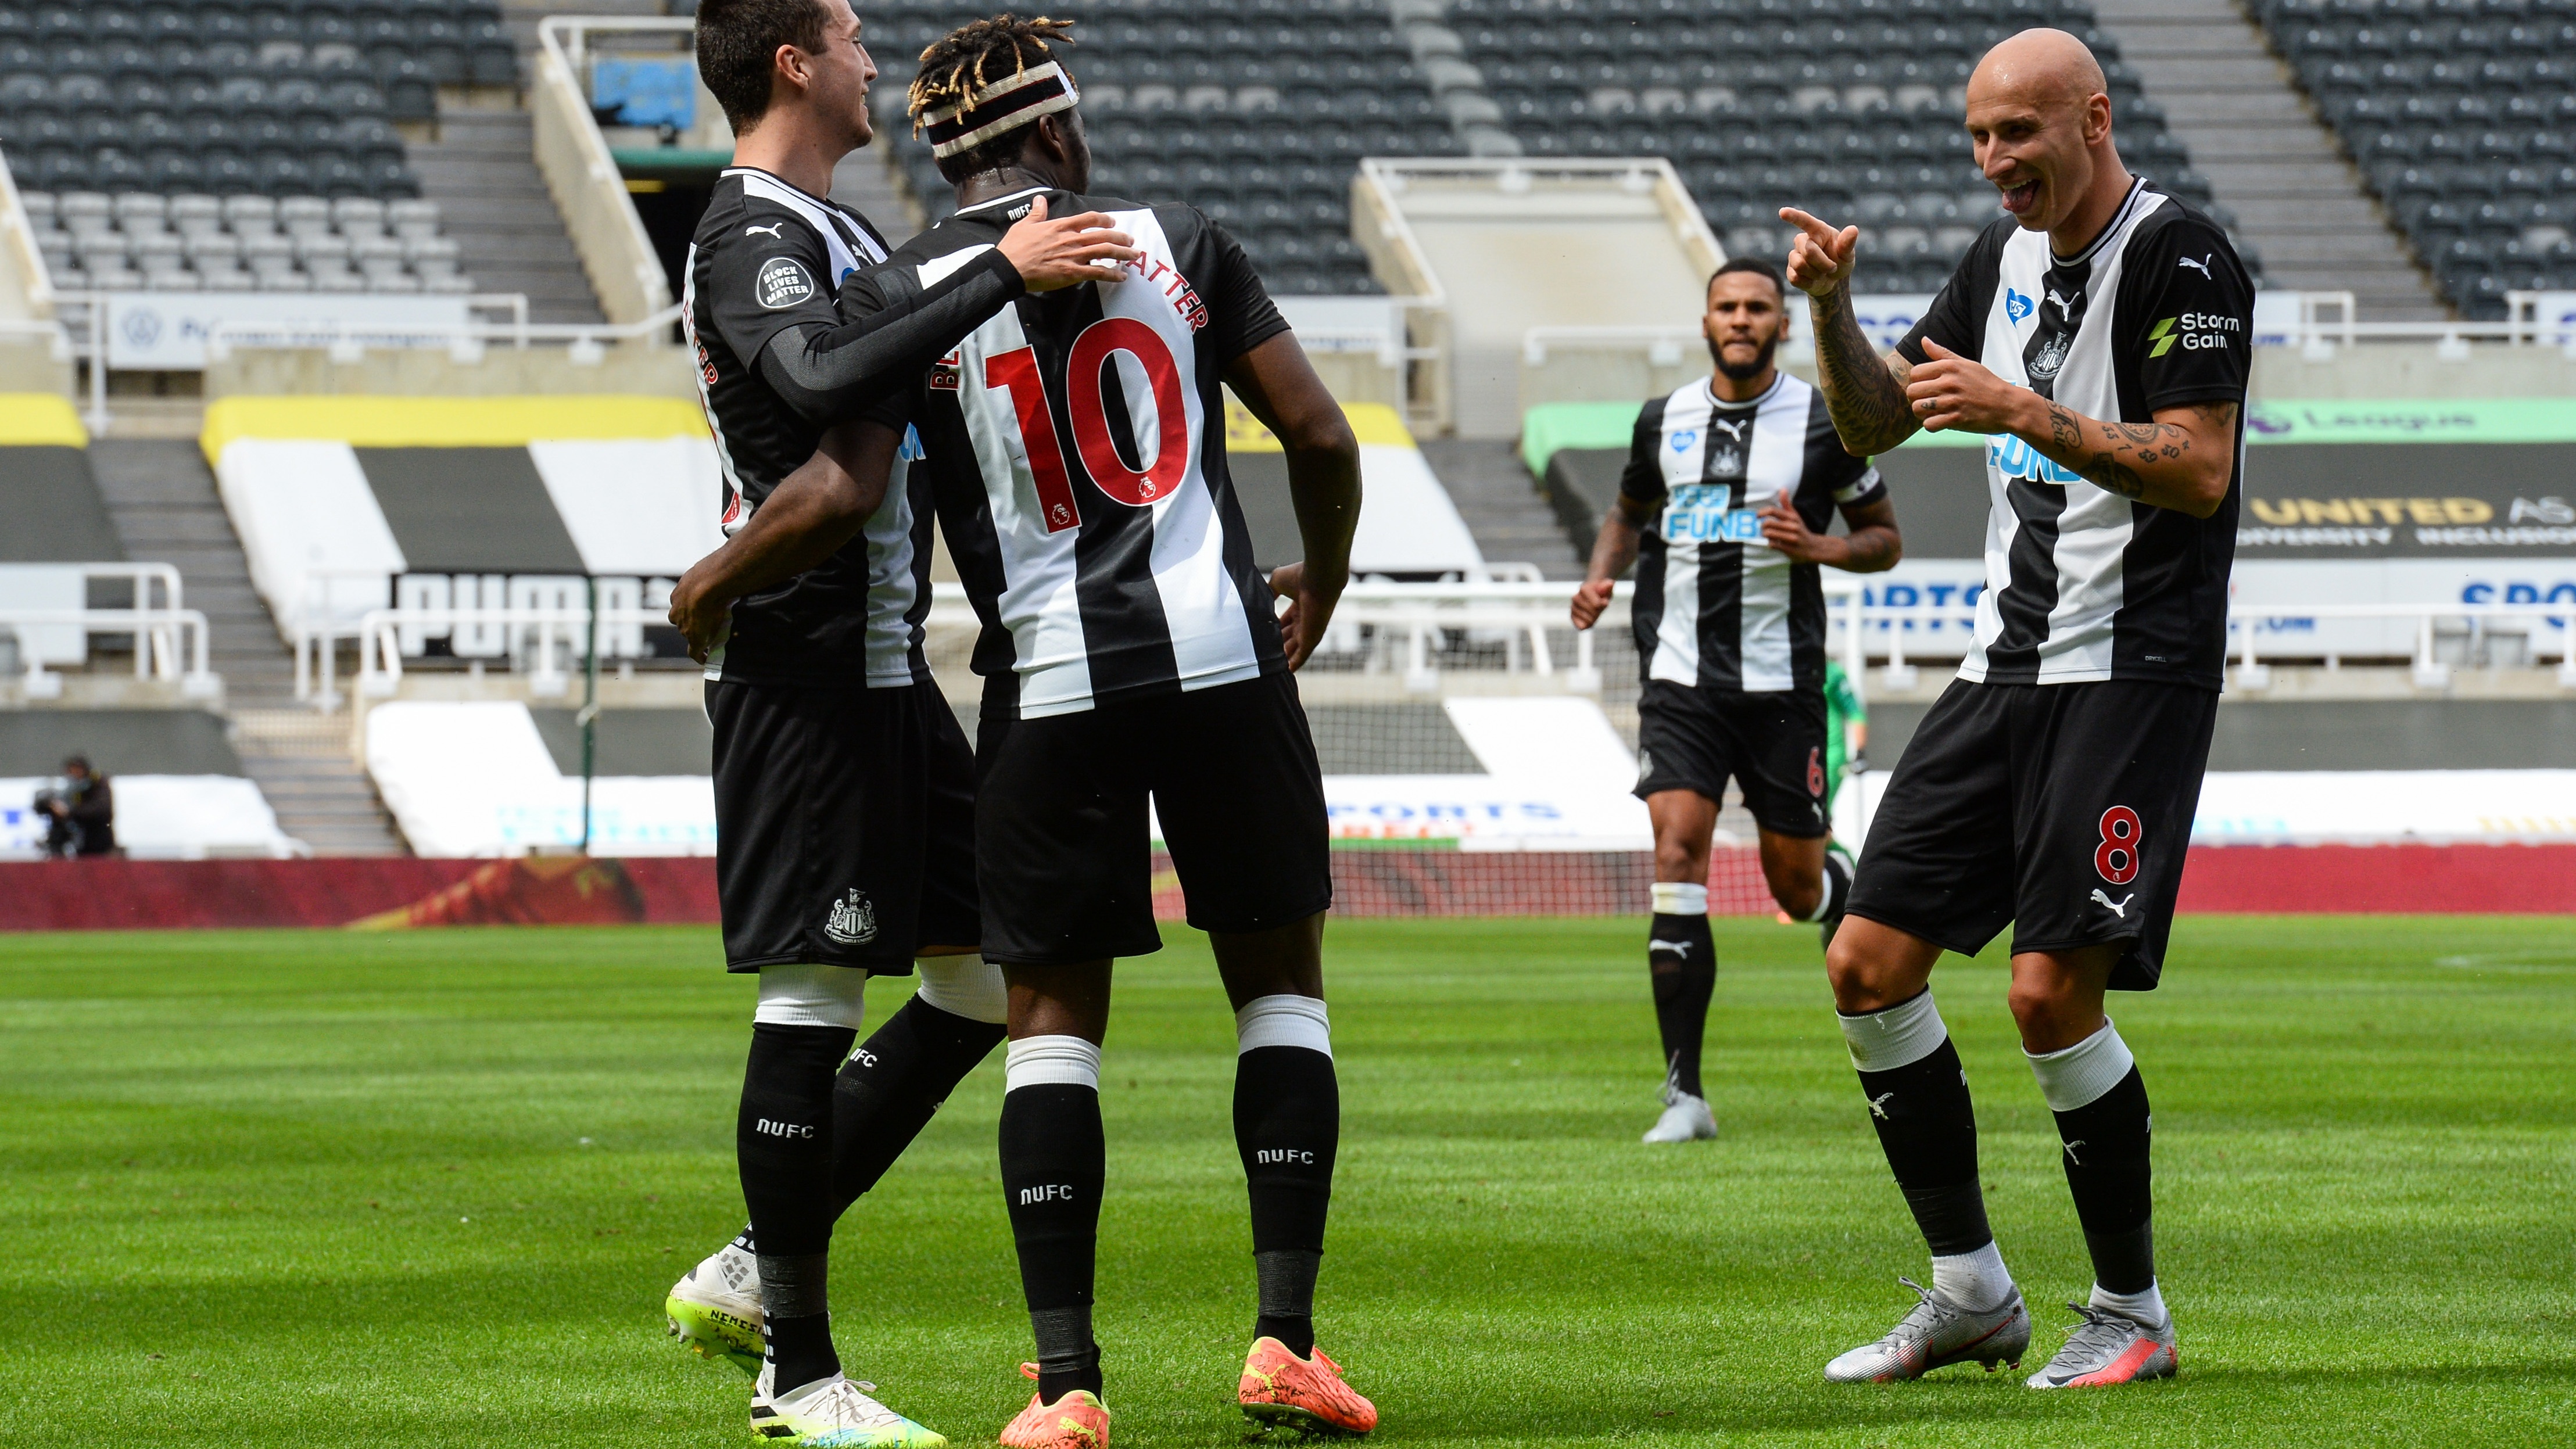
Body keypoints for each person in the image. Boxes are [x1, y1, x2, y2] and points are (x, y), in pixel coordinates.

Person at [803, 17, 1370, 1445]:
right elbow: (1320, 437)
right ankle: (1285, 1342)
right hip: (1225, 660)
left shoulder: (905, 288)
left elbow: (853, 478)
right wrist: (1324, 576)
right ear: (1057, 129)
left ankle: (1066, 1386)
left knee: (1051, 1024)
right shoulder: (1184, 241)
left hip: (1047, 684)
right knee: (1279, 992)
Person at [655, 1, 1138, 1444]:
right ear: (794, 63)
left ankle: (755, 1268)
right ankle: (795, 1375)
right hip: (804, 666)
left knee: (982, 979)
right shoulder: (750, 233)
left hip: (880, 667)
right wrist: (998, 267)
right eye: (853, 37)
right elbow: (815, 387)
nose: (875, 60)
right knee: (811, 1000)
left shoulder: (839, 229)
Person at [1781, 27, 2251, 1390]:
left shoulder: (2180, 256)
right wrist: (1831, 312)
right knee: (1864, 965)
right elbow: (1873, 424)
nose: (1993, 161)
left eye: (2017, 134)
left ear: (2091, 120)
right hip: (2005, 664)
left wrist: (2017, 409)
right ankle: (1971, 1293)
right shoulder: (1997, 258)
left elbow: (2198, 467)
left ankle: (2130, 1312)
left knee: (2047, 994)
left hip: (2131, 668)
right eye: (1978, 137)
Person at [1568, 257, 1902, 1145]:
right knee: (1677, 848)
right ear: (1707, 322)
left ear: (1782, 325)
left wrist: (1818, 548)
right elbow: (1626, 512)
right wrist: (1601, 577)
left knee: (1794, 888)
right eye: (1728, 307)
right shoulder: (1662, 419)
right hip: (1679, 680)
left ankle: (1840, 888)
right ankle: (1684, 1094)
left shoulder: (1825, 423)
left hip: (1781, 685)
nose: (1742, 319)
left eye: (1758, 307)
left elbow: (1883, 539)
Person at [38, 755, 114, 858]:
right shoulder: (70, 788)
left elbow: (101, 809)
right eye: (71, 771)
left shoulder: (97, 784)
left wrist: (69, 812)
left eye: (78, 770)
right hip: (76, 839)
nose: (75, 774)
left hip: (97, 840)